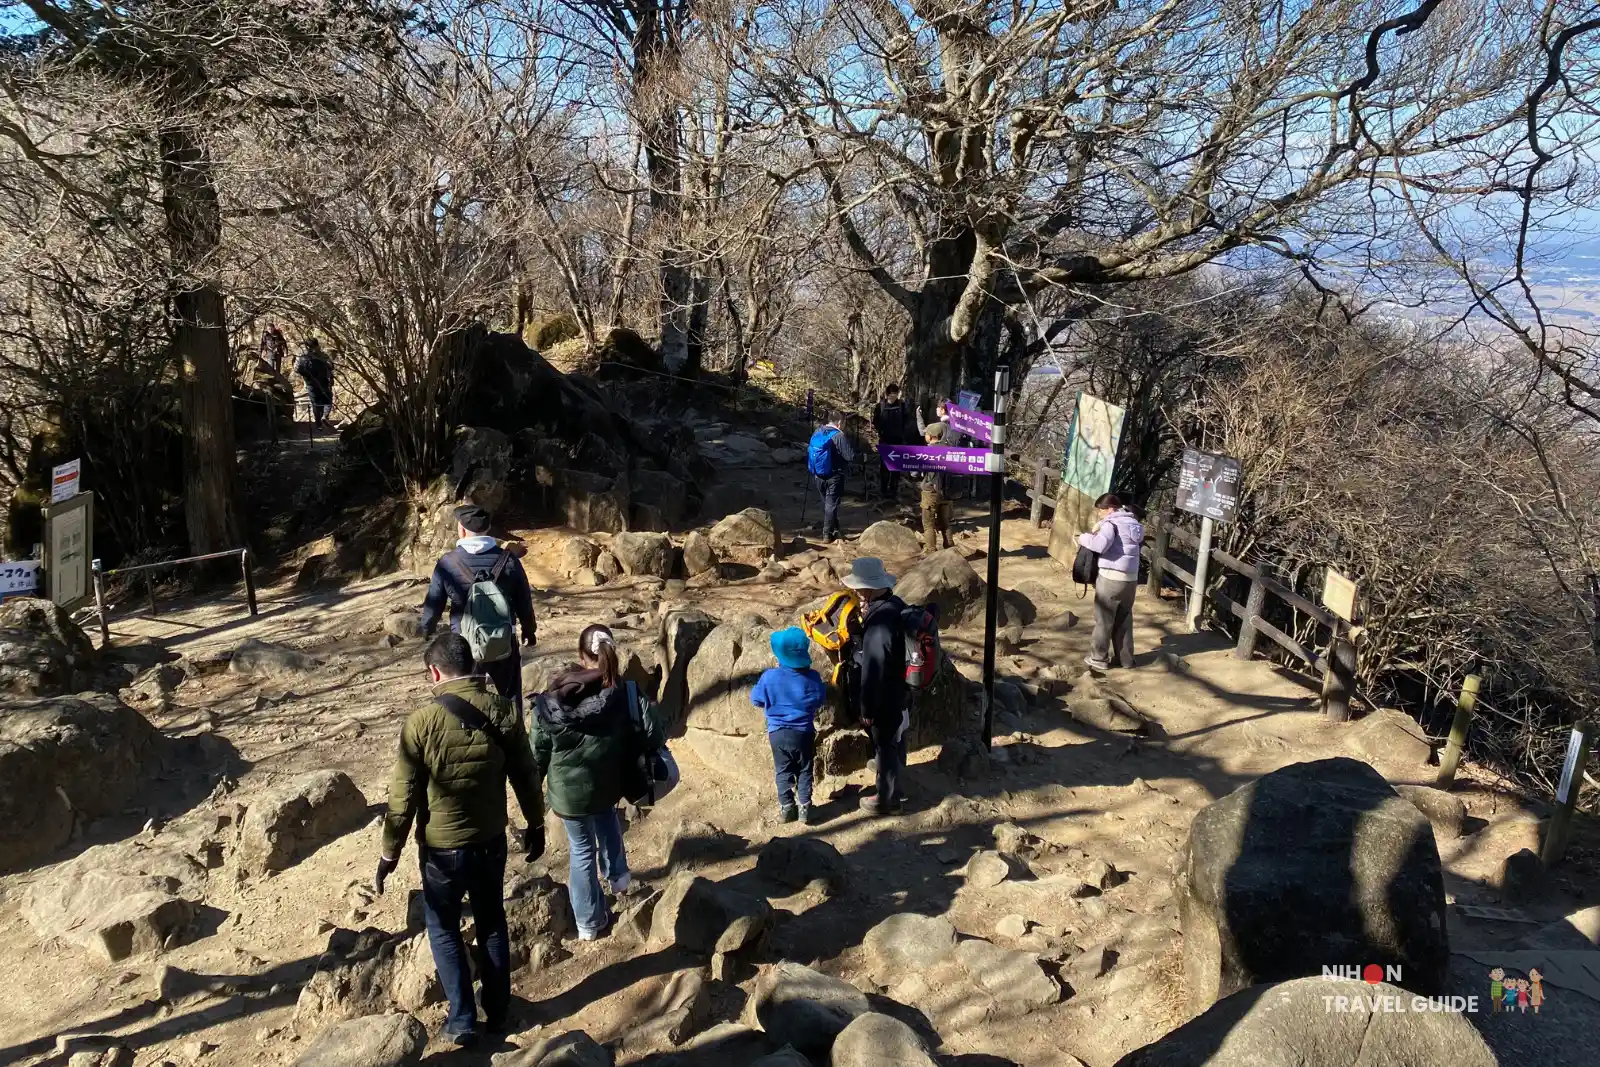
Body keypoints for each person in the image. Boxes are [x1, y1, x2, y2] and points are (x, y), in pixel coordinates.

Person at [375, 633, 545, 1047]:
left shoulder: (421, 723)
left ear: (435, 672)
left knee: (444, 928)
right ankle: (499, 1011)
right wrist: (536, 824)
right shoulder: (504, 712)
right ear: (470, 664)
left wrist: (388, 853)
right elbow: (526, 774)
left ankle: (463, 1017)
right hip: (490, 841)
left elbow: (403, 799)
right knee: (491, 923)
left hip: (441, 852)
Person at [530, 624, 665, 940]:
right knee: (607, 818)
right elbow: (653, 734)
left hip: (568, 794)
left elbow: (537, 751)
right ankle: (618, 879)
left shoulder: (550, 701)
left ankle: (589, 923)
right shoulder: (627, 692)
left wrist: (532, 787)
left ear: (580, 655)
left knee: (580, 849)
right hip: (609, 783)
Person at [421, 504, 537, 710]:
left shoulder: (448, 563)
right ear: (488, 527)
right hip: (504, 640)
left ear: (462, 530)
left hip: (464, 644)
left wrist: (426, 629)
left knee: (467, 698)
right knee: (510, 695)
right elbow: (523, 600)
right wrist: (529, 630)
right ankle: (514, 734)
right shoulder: (508, 560)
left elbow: (434, 602)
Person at [842, 557, 909, 815]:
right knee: (896, 738)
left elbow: (873, 671)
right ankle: (895, 784)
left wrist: (866, 709)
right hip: (900, 690)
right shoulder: (895, 604)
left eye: (858, 588)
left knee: (885, 744)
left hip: (885, 696)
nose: (855, 592)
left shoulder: (880, 623)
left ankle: (887, 799)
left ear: (868, 589)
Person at [751, 627, 828, 824]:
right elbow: (820, 699)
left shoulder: (769, 677)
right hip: (803, 732)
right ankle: (804, 808)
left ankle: (786, 808)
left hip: (777, 733)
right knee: (804, 769)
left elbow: (756, 700)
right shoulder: (813, 678)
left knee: (782, 770)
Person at [1077, 493, 1146, 671]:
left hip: (1111, 577)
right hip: (1131, 580)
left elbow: (1100, 546)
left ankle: (1098, 658)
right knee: (1124, 619)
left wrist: (1083, 537)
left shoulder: (1111, 524)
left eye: (1101, 510)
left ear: (1110, 509)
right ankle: (1126, 660)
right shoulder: (1135, 524)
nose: (1099, 514)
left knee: (1104, 619)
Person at [807, 412, 855, 543]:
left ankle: (834, 528)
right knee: (831, 504)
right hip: (834, 475)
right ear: (839, 422)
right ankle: (827, 534)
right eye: (844, 423)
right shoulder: (839, 435)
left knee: (827, 503)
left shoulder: (817, 431)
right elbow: (850, 456)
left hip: (818, 474)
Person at [914, 421, 954, 553]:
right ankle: (950, 549)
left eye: (926, 433)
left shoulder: (927, 451)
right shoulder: (951, 450)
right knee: (946, 523)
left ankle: (930, 551)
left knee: (928, 524)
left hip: (930, 492)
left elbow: (914, 473)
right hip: (947, 492)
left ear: (931, 436)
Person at [872, 383, 913, 500]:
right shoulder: (880, 406)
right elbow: (876, 421)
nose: (893, 397)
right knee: (884, 466)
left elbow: (907, 421)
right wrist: (881, 431)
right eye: (891, 395)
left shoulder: (902, 406)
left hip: (898, 440)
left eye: (895, 395)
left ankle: (893, 490)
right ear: (887, 394)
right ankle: (883, 489)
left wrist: (904, 434)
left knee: (896, 466)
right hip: (884, 440)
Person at [294, 337, 334, 426]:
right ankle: (324, 416)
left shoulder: (301, 356)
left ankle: (318, 423)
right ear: (316, 345)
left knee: (315, 402)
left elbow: (296, 369)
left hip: (309, 382)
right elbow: (331, 366)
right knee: (327, 399)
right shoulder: (322, 355)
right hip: (323, 380)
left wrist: (305, 374)